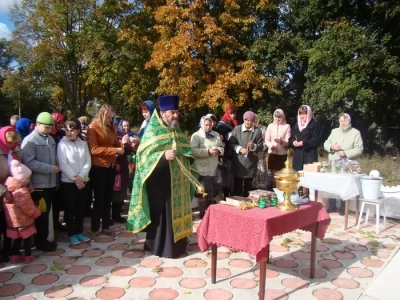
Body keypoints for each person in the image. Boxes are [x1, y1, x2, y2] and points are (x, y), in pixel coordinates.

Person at [127, 95, 195, 258]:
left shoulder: (176, 130)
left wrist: (185, 156)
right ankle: (161, 247)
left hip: (177, 183)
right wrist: (163, 156)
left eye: (177, 112)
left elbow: (187, 152)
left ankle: (179, 245)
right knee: (163, 215)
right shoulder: (152, 131)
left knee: (176, 213)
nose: (175, 116)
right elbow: (142, 158)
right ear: (163, 113)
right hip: (159, 184)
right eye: (172, 112)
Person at [21, 112, 59, 252]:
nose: (49, 130)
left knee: (47, 213)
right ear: (37, 124)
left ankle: (45, 239)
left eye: (51, 127)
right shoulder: (30, 141)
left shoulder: (51, 139)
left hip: (50, 183)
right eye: (46, 127)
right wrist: (49, 168)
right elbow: (29, 162)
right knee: (41, 215)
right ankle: (40, 242)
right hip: (38, 185)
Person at [87, 104, 124, 237]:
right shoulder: (93, 128)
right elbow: (94, 150)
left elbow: (115, 144)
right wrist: (114, 151)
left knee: (108, 197)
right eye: (108, 117)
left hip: (111, 166)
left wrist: (121, 145)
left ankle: (106, 226)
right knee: (99, 198)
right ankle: (95, 228)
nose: (110, 120)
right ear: (102, 115)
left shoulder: (111, 127)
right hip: (99, 167)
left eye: (112, 117)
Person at [57, 120, 92, 245]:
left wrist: (81, 177)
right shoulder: (62, 144)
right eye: (67, 130)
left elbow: (88, 161)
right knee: (70, 209)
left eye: (72, 130)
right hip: (68, 183)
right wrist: (75, 179)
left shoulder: (83, 144)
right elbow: (63, 164)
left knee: (80, 208)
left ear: (78, 131)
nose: (69, 132)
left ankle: (79, 232)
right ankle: (72, 233)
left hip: (83, 182)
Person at [324, 113, 364, 214]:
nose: (343, 123)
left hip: (347, 163)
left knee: (344, 185)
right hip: (333, 162)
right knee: (332, 184)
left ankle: (343, 208)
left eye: (345, 121)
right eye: (341, 121)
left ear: (349, 121)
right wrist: (332, 147)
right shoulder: (334, 131)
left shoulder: (355, 133)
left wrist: (345, 153)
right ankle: (332, 206)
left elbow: (359, 148)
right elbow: (326, 143)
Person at [4, 160, 41, 263]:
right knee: (27, 239)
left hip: (13, 222)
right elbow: (28, 207)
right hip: (24, 221)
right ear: (23, 179)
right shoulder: (22, 192)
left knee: (16, 239)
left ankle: (15, 256)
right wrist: (36, 212)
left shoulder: (9, 189)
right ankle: (28, 256)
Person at [190, 115, 224, 218]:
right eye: (206, 125)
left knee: (213, 193)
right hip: (202, 169)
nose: (208, 127)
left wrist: (219, 150)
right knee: (202, 193)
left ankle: (212, 214)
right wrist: (207, 152)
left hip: (214, 168)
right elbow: (193, 151)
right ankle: (202, 213)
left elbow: (221, 146)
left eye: (210, 125)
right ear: (202, 124)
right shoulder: (196, 136)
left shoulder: (216, 134)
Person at [0, 126, 24, 259]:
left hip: (13, 194)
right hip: (3, 193)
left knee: (8, 224)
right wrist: (3, 192)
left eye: (13, 143)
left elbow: (20, 169)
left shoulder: (14, 151)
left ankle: (8, 249)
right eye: (9, 142)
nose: (11, 145)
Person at [289, 105, 322, 197]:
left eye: (305, 114)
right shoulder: (296, 125)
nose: (302, 116)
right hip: (298, 155)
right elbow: (291, 138)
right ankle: (298, 197)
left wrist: (304, 142)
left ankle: (309, 198)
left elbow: (317, 140)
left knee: (308, 178)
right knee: (298, 177)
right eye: (301, 114)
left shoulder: (314, 124)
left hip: (309, 154)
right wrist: (293, 142)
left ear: (309, 114)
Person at [229, 111, 264, 197]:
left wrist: (253, 146)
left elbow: (260, 146)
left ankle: (247, 205)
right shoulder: (237, 129)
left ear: (253, 121)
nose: (247, 122)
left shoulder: (257, 131)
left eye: (250, 120)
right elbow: (231, 143)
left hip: (250, 163)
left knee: (248, 189)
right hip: (239, 162)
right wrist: (240, 149)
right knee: (237, 187)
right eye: (246, 120)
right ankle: (237, 206)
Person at [112, 119, 138, 223]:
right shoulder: (109, 137)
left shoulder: (121, 134)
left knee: (120, 192)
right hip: (114, 168)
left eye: (114, 125)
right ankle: (114, 215)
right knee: (114, 193)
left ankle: (117, 213)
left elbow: (127, 150)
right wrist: (122, 144)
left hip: (122, 168)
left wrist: (132, 146)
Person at [215, 104, 238, 198]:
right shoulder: (221, 124)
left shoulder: (234, 122)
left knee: (233, 175)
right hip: (226, 153)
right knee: (226, 176)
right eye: (231, 113)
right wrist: (234, 133)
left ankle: (233, 194)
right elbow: (222, 137)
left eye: (234, 113)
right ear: (228, 113)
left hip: (234, 152)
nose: (233, 116)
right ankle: (225, 195)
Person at [265, 109, 291, 188]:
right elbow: (267, 139)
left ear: (283, 117)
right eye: (276, 117)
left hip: (282, 154)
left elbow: (288, 142)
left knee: (281, 176)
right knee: (273, 177)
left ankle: (281, 192)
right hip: (272, 153)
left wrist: (282, 142)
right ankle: (274, 193)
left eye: (279, 117)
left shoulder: (287, 126)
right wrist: (270, 146)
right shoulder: (270, 126)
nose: (278, 119)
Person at [50, 112, 66, 232]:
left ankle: (58, 222)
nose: (60, 125)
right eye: (58, 122)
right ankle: (52, 224)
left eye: (62, 122)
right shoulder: (49, 135)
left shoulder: (62, 134)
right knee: (53, 199)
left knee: (60, 199)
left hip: (62, 169)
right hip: (52, 169)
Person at [252, 114, 268, 190]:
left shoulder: (263, 129)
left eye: (256, 120)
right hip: (251, 155)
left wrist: (260, 148)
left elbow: (266, 142)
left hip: (260, 155)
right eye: (253, 120)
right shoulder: (249, 129)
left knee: (261, 172)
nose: (254, 121)